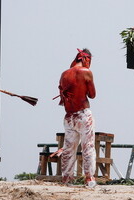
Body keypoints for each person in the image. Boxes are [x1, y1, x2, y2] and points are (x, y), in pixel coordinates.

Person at [58, 48, 97, 186]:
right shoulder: (86, 72)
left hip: (69, 117)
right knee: (88, 147)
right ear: (85, 59)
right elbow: (92, 95)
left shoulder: (64, 74)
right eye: (89, 61)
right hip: (83, 115)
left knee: (69, 149)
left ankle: (66, 179)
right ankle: (89, 179)